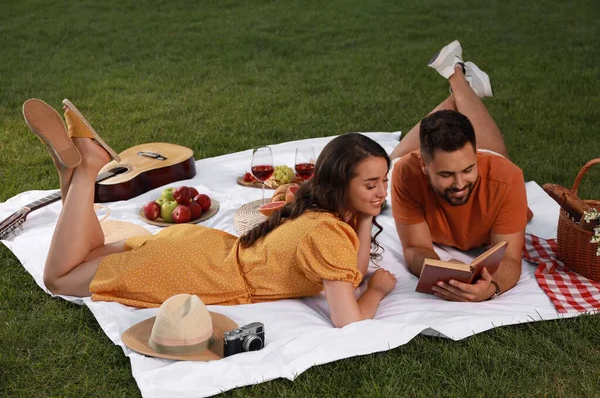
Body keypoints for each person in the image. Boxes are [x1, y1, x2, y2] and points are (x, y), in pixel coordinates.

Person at [22, 99, 397, 328]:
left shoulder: (318, 208)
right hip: (189, 271)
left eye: (383, 181)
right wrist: (377, 292)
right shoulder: (327, 233)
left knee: (86, 253)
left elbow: (351, 269)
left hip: (197, 251)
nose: (381, 192)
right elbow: (348, 318)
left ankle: (70, 170)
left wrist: (365, 217)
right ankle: (87, 168)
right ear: (340, 183)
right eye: (371, 185)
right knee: (58, 278)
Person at [389, 40, 532, 302]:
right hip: (413, 164)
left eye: (468, 169)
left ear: (475, 156)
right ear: (423, 164)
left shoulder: (507, 177)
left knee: (496, 157)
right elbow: (415, 248)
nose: (459, 183)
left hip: (491, 159)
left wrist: (492, 288)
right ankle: (464, 85)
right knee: (393, 161)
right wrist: (442, 272)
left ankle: (457, 77)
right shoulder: (408, 174)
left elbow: (510, 257)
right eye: (445, 175)